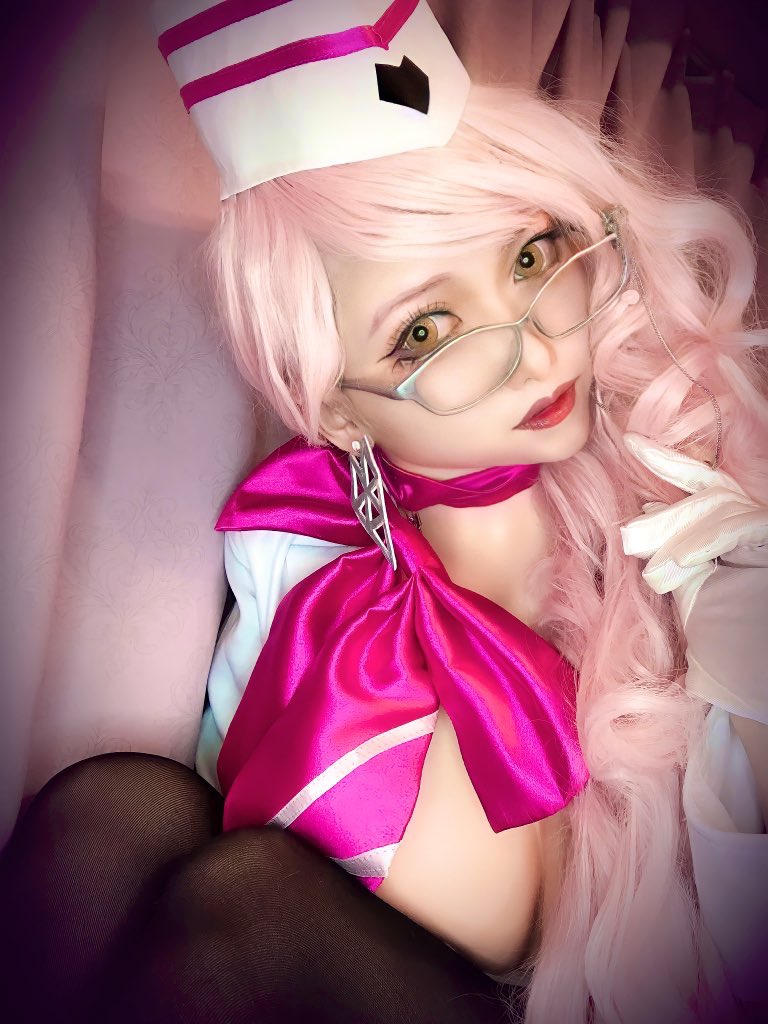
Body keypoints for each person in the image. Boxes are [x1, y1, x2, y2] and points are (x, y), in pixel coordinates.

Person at [1, 3, 766, 1023]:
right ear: (335, 409)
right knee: (109, 813)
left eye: (529, 259)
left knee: (241, 914)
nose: (530, 349)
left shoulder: (704, 553)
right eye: (427, 331)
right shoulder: (309, 574)